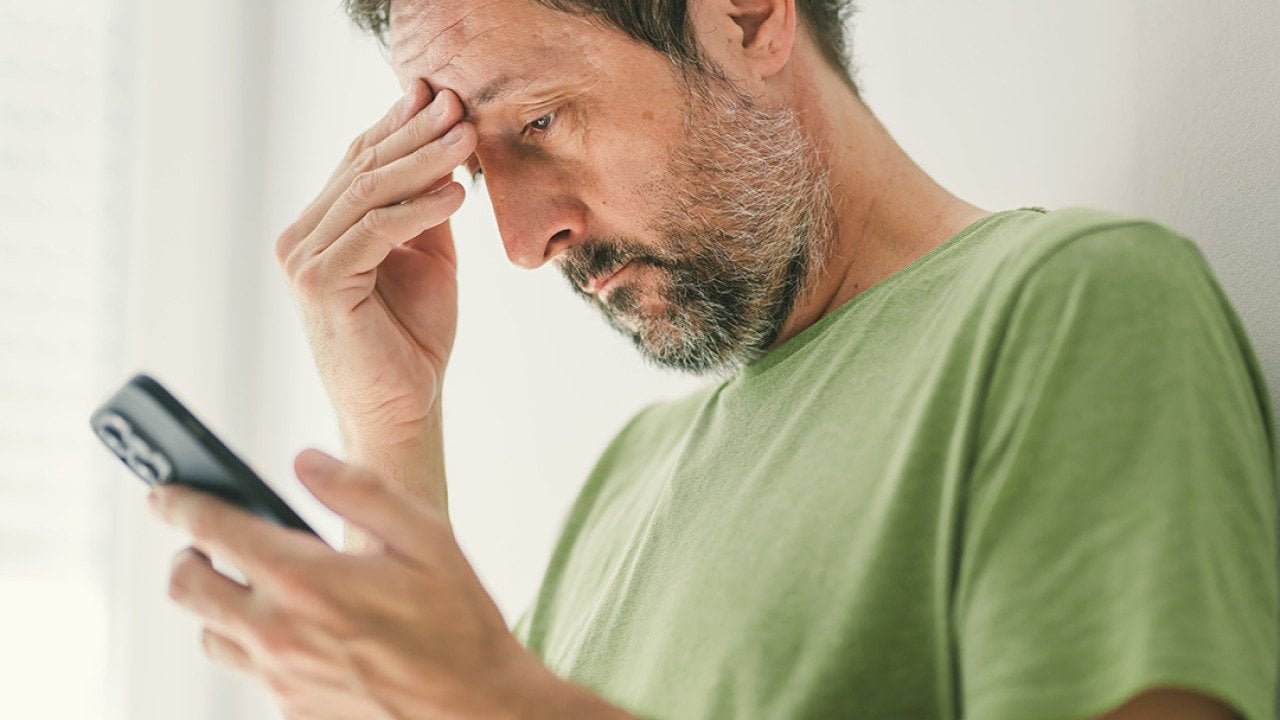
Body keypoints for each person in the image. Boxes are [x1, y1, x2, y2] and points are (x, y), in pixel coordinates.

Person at [147, 0, 1278, 718]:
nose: (521, 242)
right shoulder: (634, 477)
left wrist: (499, 704)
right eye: (480, 169)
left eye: (539, 122)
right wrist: (391, 422)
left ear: (742, 16)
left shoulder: (1067, 310)